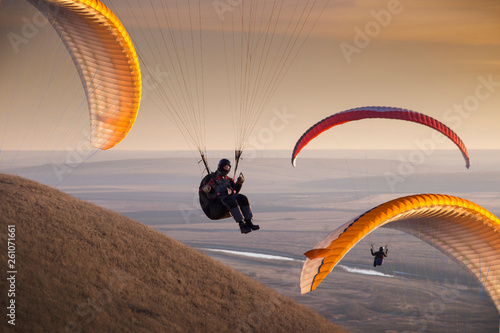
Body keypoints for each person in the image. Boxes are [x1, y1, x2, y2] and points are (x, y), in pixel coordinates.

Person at [200, 159, 259, 234]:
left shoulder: (228, 179)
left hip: (227, 199)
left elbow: (235, 191)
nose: (226, 169)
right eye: (225, 167)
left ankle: (249, 222)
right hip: (217, 203)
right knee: (231, 201)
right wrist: (205, 189)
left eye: (228, 167)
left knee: (243, 198)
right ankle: (242, 225)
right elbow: (202, 191)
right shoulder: (212, 178)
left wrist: (239, 183)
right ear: (220, 167)